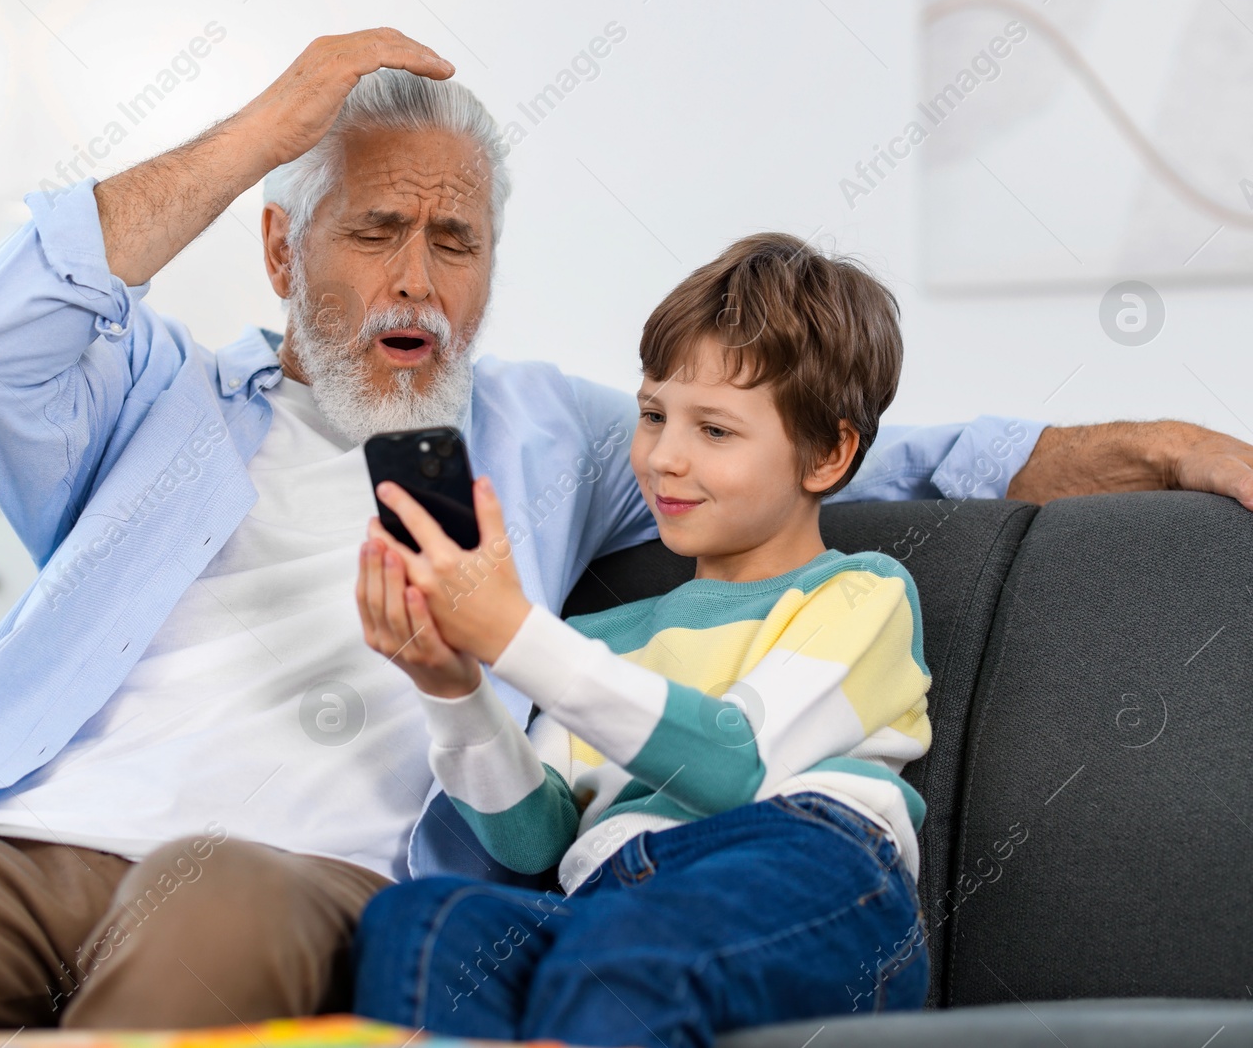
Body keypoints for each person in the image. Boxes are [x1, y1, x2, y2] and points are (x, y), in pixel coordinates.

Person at [0, 28, 1253, 1046]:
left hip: (282, 870)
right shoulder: (141, 400)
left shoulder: (559, 434)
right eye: (373, 230)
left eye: (456, 238)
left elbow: (841, 444)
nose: (420, 279)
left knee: (203, 922)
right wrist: (268, 120)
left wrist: (1132, 441)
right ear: (284, 242)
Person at [350, 232, 930, 1044]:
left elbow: (737, 762)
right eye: (653, 414)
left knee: (625, 950)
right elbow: (533, 841)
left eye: (715, 431)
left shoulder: (857, 593)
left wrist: (516, 636)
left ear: (829, 454)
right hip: (605, 896)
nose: (662, 457)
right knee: (421, 920)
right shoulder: (599, 640)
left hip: (803, 869)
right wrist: (456, 689)